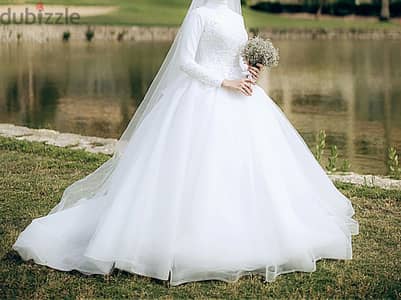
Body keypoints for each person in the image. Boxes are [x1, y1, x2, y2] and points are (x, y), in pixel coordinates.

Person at [13, 0, 359, 286]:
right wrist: (223, 82)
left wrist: (248, 71)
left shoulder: (234, 14)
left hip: (241, 98)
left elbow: (236, 56)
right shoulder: (199, 13)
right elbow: (185, 62)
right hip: (200, 98)